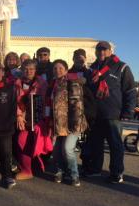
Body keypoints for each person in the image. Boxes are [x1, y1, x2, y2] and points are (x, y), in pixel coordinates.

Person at [83, 41, 136, 183]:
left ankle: (117, 172)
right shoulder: (92, 68)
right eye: (99, 50)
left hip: (113, 113)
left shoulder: (121, 66)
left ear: (110, 51)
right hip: (96, 114)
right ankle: (95, 169)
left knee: (115, 145)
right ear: (95, 52)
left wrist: (128, 111)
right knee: (96, 144)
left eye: (104, 50)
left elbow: (130, 90)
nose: (101, 52)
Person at [46, 59, 88, 187]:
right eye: (55, 68)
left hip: (72, 122)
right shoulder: (53, 84)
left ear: (65, 70)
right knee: (57, 149)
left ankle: (74, 174)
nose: (57, 70)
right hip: (58, 123)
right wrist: (49, 120)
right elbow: (49, 103)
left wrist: (75, 123)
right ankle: (60, 171)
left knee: (68, 148)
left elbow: (77, 104)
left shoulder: (72, 82)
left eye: (60, 68)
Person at [15, 59, 52, 180]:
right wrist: (19, 116)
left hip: (38, 120)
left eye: (31, 69)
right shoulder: (17, 83)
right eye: (26, 69)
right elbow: (15, 102)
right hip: (24, 120)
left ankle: (37, 166)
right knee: (22, 142)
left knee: (38, 144)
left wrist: (43, 119)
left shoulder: (42, 83)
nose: (28, 71)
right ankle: (27, 170)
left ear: (35, 70)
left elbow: (46, 102)